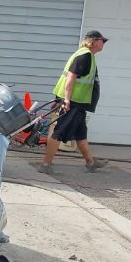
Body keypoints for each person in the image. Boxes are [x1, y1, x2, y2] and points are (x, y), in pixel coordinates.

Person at [38, 30, 110, 174]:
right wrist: (66, 100)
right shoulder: (85, 56)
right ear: (94, 41)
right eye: (102, 40)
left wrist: (61, 98)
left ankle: (91, 163)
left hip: (77, 101)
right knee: (59, 131)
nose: (104, 43)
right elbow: (70, 78)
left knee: (81, 132)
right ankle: (45, 165)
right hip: (73, 101)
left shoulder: (86, 54)